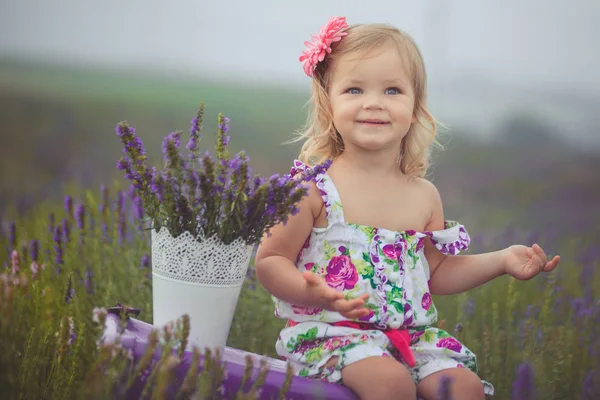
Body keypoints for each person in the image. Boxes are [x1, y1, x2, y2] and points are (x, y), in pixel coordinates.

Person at [254, 16, 560, 400]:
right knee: (391, 383)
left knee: (461, 387)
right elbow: (270, 260)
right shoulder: (313, 190)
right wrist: (311, 292)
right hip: (333, 336)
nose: (373, 103)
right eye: (353, 89)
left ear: (416, 107)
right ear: (328, 102)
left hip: (411, 339)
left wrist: (502, 260)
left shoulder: (423, 196)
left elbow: (435, 272)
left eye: (393, 90)